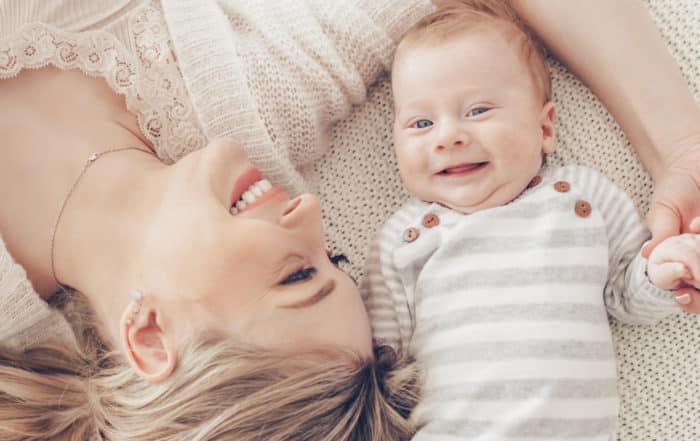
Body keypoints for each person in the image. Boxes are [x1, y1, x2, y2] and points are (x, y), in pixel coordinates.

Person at [0, 0, 699, 439]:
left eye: (297, 274)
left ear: (151, 334)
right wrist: (680, 146)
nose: (308, 209)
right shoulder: (258, 92)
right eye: (326, 257)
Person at [362, 1, 700, 439]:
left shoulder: (583, 199)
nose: (449, 136)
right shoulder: (402, 239)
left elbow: (624, 294)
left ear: (544, 128)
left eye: (478, 111)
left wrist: (661, 272)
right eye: (421, 123)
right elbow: (385, 369)